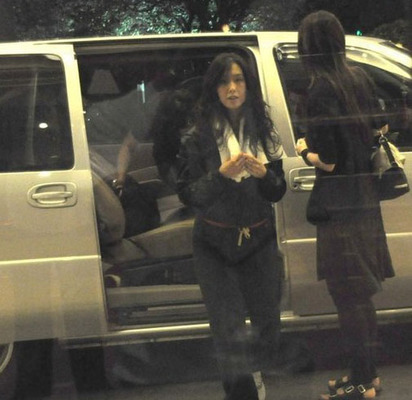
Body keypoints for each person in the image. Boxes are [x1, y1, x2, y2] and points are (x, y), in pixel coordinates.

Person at [295, 11, 395, 400]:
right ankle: (367, 376)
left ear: (308, 48)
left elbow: (329, 160)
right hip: (365, 201)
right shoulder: (358, 78)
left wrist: (304, 150)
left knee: (346, 297)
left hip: (339, 209)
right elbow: (379, 127)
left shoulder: (321, 90)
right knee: (361, 296)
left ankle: (360, 383)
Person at [177, 52, 286, 400]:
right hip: (214, 242)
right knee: (228, 330)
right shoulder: (198, 135)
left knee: (268, 324)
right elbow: (188, 194)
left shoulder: (264, 130)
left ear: (248, 85)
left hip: (259, 237)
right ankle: (241, 392)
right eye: (224, 82)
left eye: (238, 80)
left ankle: (253, 371)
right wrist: (220, 176)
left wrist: (265, 175)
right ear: (214, 89)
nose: (232, 88)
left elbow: (277, 191)